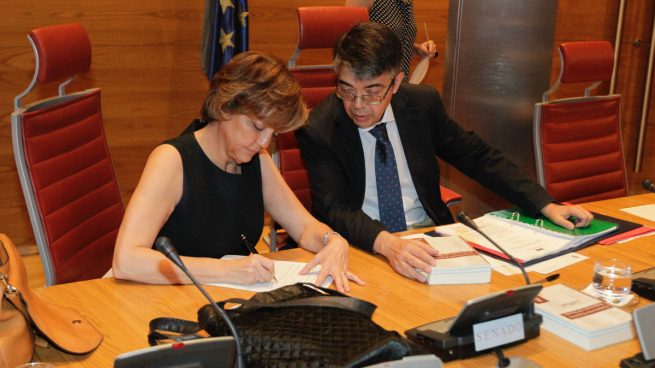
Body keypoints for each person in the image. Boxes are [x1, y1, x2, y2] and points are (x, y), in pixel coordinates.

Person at [296, 22, 593, 283]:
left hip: (429, 240)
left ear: (397, 82)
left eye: (372, 92)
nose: (358, 105)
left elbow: (475, 154)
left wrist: (544, 204)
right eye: (346, 90)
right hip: (362, 247)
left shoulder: (421, 105)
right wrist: (387, 244)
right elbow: (336, 209)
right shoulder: (319, 128)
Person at [113, 51, 364, 293]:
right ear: (225, 107)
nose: (264, 143)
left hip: (224, 299)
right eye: (256, 127)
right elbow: (126, 261)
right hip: (162, 298)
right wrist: (226, 270)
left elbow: (304, 228)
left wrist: (332, 240)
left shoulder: (257, 158)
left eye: (273, 133)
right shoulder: (171, 160)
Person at [345, 0, 436, 81]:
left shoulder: (407, 2)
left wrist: (417, 49)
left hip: (398, 84)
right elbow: (350, 39)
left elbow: (388, 40)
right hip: (372, 85)